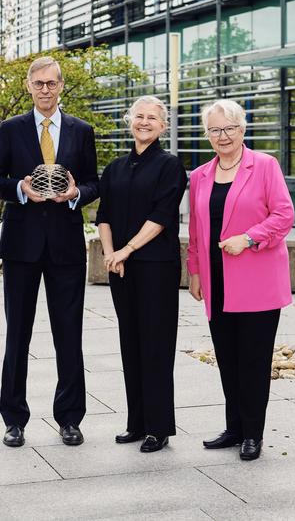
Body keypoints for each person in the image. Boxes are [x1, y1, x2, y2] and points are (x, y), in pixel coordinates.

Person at [0, 56, 99, 447]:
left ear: (61, 86)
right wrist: (20, 189)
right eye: (39, 84)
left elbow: (92, 182)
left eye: (52, 83)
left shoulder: (82, 131)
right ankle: (13, 419)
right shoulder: (11, 129)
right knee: (17, 335)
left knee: (69, 335)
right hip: (21, 246)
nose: (45, 90)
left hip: (67, 246)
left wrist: (75, 195)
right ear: (29, 86)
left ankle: (70, 418)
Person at [186, 99, 294, 461]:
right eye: (215, 130)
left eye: (229, 128)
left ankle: (253, 433)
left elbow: (284, 215)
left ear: (242, 129)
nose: (223, 136)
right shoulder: (200, 176)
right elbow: (198, 230)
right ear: (207, 135)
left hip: (257, 280)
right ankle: (234, 429)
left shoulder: (264, 166)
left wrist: (248, 238)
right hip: (217, 282)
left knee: (253, 360)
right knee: (227, 358)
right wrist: (196, 271)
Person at [96, 96, 186, 453]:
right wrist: (109, 254)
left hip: (156, 269)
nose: (145, 122)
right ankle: (136, 422)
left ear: (163, 126)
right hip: (121, 268)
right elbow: (103, 215)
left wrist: (126, 249)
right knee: (130, 343)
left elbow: (162, 217)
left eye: (153, 118)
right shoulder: (115, 167)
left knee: (156, 345)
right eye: (139, 117)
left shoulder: (170, 166)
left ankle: (158, 427)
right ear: (129, 121)